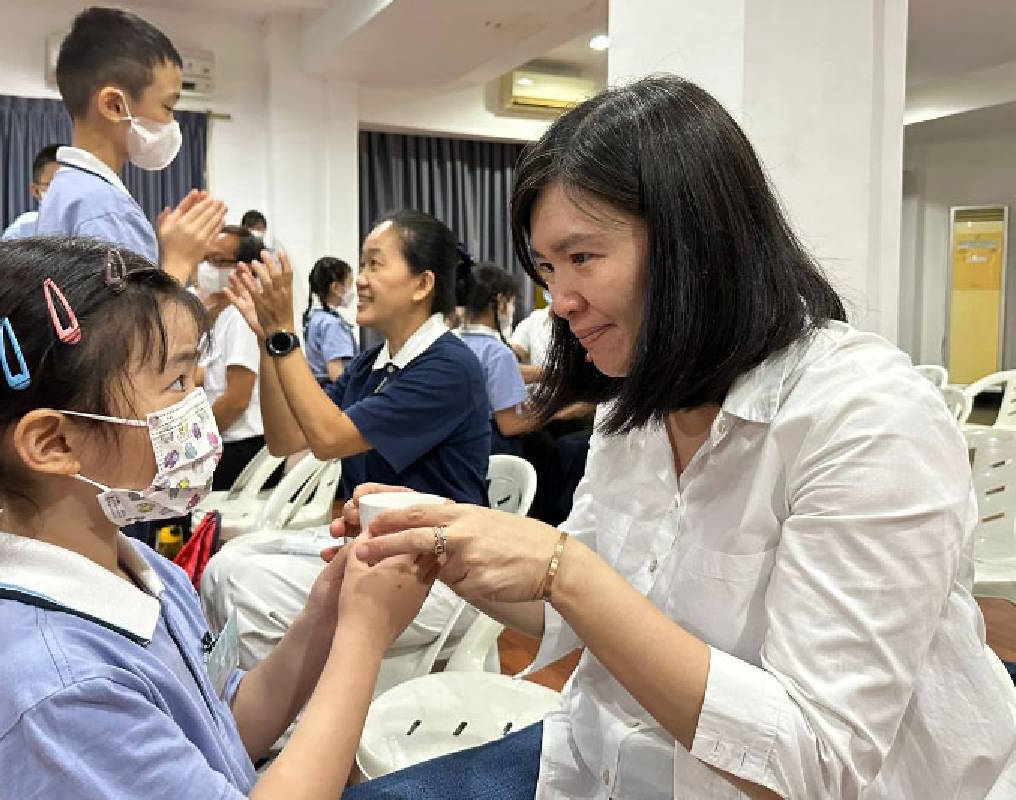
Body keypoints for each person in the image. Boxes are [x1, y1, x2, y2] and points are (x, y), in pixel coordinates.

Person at [342, 75, 1016, 799]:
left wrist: (565, 568)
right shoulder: (635, 403)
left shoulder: (868, 421)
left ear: (696, 245)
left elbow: (816, 763)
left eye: (583, 258)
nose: (560, 302)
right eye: (546, 268)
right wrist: (448, 542)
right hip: (607, 757)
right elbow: (576, 610)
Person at [0, 236, 435, 800]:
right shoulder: (59, 689)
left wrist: (329, 612)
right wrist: (364, 638)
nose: (201, 398)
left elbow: (222, 724)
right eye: (178, 382)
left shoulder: (145, 573)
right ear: (54, 441)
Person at [200, 210, 491, 668]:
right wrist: (267, 343)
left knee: (243, 583)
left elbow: (329, 439)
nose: (361, 280)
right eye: (363, 265)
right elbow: (286, 438)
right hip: (378, 550)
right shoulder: (372, 363)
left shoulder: (448, 367)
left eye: (376, 264)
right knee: (227, 563)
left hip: (437, 570)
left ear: (422, 284)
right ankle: (250, 709)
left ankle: (287, 726)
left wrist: (284, 336)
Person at [36, 7, 223, 284]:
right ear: (114, 105)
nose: (171, 121)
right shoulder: (105, 209)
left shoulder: (67, 190)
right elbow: (135, 327)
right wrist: (179, 263)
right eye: (167, 106)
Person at [194, 226, 268, 490]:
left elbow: (237, 399)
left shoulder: (241, 317)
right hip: (227, 438)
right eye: (204, 259)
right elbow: (205, 375)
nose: (206, 268)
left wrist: (196, 441)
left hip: (241, 445)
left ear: (243, 268)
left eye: (216, 261)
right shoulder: (221, 314)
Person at [455, 264, 528, 455]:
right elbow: (510, 425)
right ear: (500, 301)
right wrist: (557, 412)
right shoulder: (497, 353)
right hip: (487, 449)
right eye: (512, 301)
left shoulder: (448, 341)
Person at [302, 256, 357, 386]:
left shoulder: (314, 318)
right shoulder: (332, 324)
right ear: (336, 288)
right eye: (350, 283)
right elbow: (337, 373)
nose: (352, 291)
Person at [1, 143, 65, 240]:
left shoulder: (89, 226)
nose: (66, 192)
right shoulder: (21, 231)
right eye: (54, 185)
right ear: (35, 191)